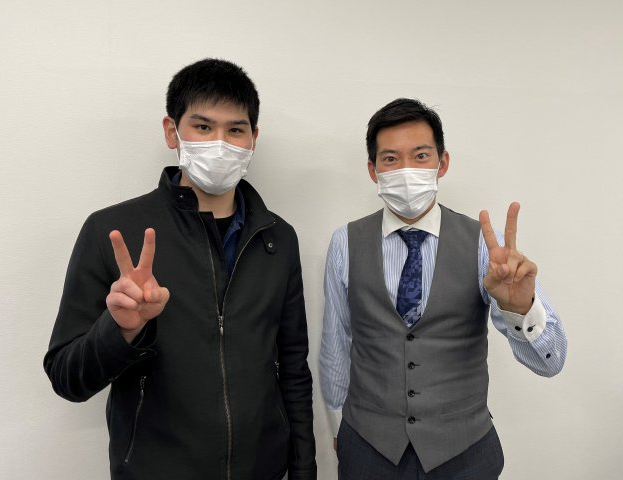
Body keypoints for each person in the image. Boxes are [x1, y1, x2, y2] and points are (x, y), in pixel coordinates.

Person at [44, 58, 316, 480]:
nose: (220, 144)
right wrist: (121, 331)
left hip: (262, 468)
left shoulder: (277, 238)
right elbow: (67, 379)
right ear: (172, 131)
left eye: (236, 130)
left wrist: (303, 468)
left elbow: (294, 367)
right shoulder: (113, 232)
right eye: (203, 127)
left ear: (253, 138)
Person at [319, 98, 567, 479]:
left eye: (420, 156)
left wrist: (521, 309)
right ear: (373, 170)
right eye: (390, 159)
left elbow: (551, 362)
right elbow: (335, 343)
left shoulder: (486, 247)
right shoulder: (345, 243)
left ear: (442, 163)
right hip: (367, 450)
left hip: (465, 454)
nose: (406, 170)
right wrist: (341, 430)